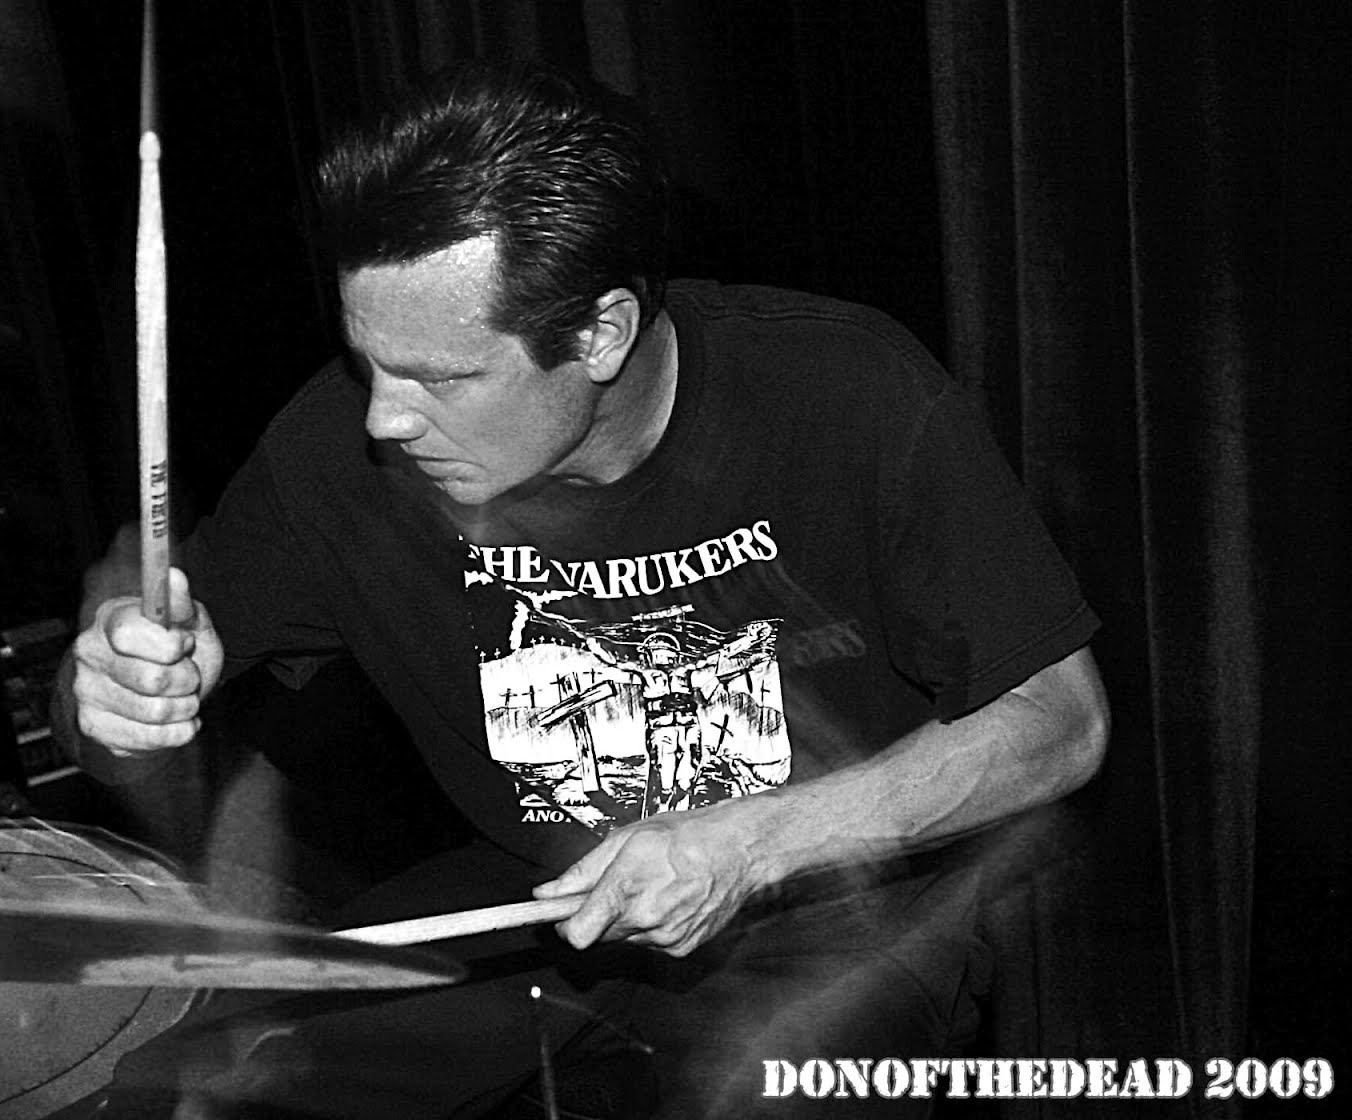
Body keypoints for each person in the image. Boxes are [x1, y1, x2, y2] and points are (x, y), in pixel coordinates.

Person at [56, 59, 1109, 1119]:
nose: (385, 417)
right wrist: (112, 687)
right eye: (368, 361)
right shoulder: (333, 453)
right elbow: (124, 687)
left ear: (602, 331)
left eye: (443, 377)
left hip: (835, 918)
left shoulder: (844, 393)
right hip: (535, 894)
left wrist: (749, 843)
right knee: (196, 1090)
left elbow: (1059, 724)